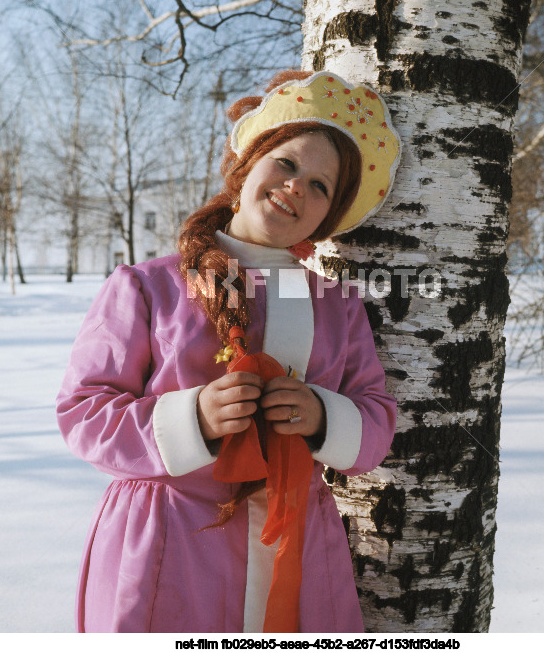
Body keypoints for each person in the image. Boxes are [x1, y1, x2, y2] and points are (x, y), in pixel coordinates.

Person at [56, 70, 401, 633]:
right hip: (165, 548)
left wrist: (321, 416)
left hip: (298, 548)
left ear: (329, 216)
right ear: (247, 165)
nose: (296, 186)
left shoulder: (336, 305)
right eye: (287, 163)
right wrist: (191, 419)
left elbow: (377, 417)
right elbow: (84, 412)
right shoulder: (149, 286)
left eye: (320, 186)